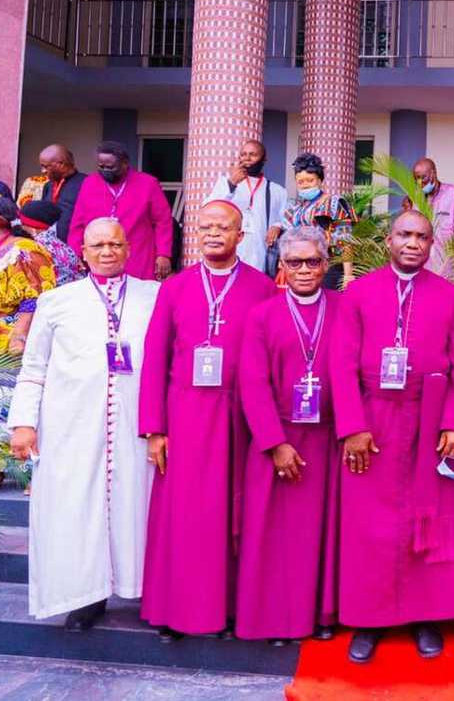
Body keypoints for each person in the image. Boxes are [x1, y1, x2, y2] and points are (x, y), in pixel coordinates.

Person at [332, 210, 454, 664]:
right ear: (389, 239)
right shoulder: (358, 293)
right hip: (373, 419)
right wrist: (352, 426)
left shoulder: (450, 297)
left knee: (426, 519)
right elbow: (341, 363)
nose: (413, 243)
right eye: (405, 235)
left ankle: (425, 616)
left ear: (432, 244)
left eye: (422, 236)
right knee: (369, 525)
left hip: (428, 419)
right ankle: (368, 620)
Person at [7, 218, 158, 628]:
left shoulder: (154, 296)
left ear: (128, 249)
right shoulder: (56, 301)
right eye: (98, 246)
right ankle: (86, 595)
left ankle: (143, 591)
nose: (107, 252)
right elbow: (34, 367)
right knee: (78, 506)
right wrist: (23, 422)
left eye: (114, 244)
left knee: (136, 504)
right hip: (72, 424)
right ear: (83, 252)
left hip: (134, 425)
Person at [139, 200, 277, 641]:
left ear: (242, 235)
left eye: (224, 227)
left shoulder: (262, 288)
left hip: (240, 416)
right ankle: (176, 610)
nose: (213, 233)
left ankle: (228, 609)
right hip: (185, 416)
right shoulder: (174, 288)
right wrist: (154, 428)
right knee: (183, 515)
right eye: (206, 227)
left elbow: (271, 360)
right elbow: (154, 360)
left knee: (232, 513)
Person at [236, 226, 341, 644]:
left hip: (326, 438)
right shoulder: (262, 315)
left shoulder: (344, 307)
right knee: (274, 536)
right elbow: (252, 382)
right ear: (280, 267)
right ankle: (274, 621)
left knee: (317, 533)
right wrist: (275, 443)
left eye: (312, 262)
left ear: (325, 264)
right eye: (294, 262)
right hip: (276, 439)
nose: (303, 270)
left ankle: (320, 614)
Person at [0, 193, 57, 486]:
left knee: (9, 404)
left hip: (10, 339)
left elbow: (37, 297)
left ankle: (28, 475)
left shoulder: (25, 250)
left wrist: (20, 334)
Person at [68, 141, 173, 282]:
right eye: (101, 166)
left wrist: (163, 254)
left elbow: (163, 221)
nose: (105, 170)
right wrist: (75, 254)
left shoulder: (148, 184)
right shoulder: (89, 183)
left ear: (125, 163)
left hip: (137, 256)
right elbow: (78, 223)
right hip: (99, 257)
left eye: (110, 167)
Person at [209, 140, 288, 276]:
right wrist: (231, 183)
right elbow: (210, 208)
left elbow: (288, 220)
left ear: (264, 159)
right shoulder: (226, 183)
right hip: (231, 253)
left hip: (260, 256)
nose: (247, 158)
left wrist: (278, 225)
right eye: (243, 154)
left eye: (252, 154)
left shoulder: (277, 191)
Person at [283, 153, 356, 290]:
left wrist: (348, 275)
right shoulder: (297, 209)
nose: (305, 185)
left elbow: (345, 240)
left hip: (329, 267)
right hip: (302, 268)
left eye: (310, 180)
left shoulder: (333, 203)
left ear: (320, 181)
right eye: (301, 182)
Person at [411, 157, 454, 280]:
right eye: (416, 179)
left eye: (423, 177)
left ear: (433, 173)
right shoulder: (417, 199)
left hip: (449, 269)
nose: (420, 182)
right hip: (424, 269)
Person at [18, 200, 84, 286]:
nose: (22, 227)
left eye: (23, 223)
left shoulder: (36, 247)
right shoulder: (61, 244)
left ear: (31, 226)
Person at [37, 144, 86, 242]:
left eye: (46, 167)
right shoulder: (48, 186)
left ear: (61, 164)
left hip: (74, 247)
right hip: (50, 246)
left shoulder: (86, 183)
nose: (43, 171)